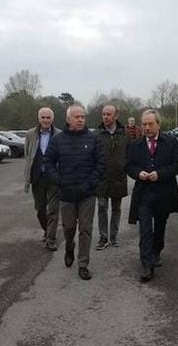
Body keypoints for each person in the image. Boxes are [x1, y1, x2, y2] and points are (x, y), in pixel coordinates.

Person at [45, 104, 105, 280]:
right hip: (67, 193)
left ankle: (83, 263)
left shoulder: (93, 139)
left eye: (83, 117)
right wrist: (59, 181)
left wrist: (92, 182)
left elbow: (100, 163)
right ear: (68, 119)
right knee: (69, 227)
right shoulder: (58, 140)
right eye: (77, 117)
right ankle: (69, 245)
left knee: (85, 229)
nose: (80, 120)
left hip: (87, 193)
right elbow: (48, 162)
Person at [126, 109, 178, 282]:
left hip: (164, 192)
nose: (147, 127)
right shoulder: (135, 144)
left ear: (158, 124)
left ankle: (157, 251)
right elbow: (128, 166)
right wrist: (138, 173)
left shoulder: (171, 142)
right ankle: (146, 264)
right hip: (143, 194)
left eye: (151, 124)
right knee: (144, 229)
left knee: (160, 226)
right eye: (144, 124)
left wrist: (160, 174)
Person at [24, 107, 62, 250]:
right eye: (43, 117)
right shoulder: (30, 134)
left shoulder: (59, 134)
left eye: (48, 117)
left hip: (54, 178)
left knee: (53, 210)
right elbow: (28, 155)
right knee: (40, 209)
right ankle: (47, 230)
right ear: (39, 119)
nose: (46, 120)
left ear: (52, 119)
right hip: (37, 177)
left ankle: (50, 239)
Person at [94, 105, 129, 250]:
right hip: (101, 179)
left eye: (108, 114)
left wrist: (125, 168)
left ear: (116, 116)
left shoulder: (125, 134)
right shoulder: (96, 135)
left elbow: (130, 154)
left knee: (116, 208)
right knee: (102, 208)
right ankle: (103, 237)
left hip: (118, 177)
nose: (105, 117)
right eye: (103, 114)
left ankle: (113, 236)